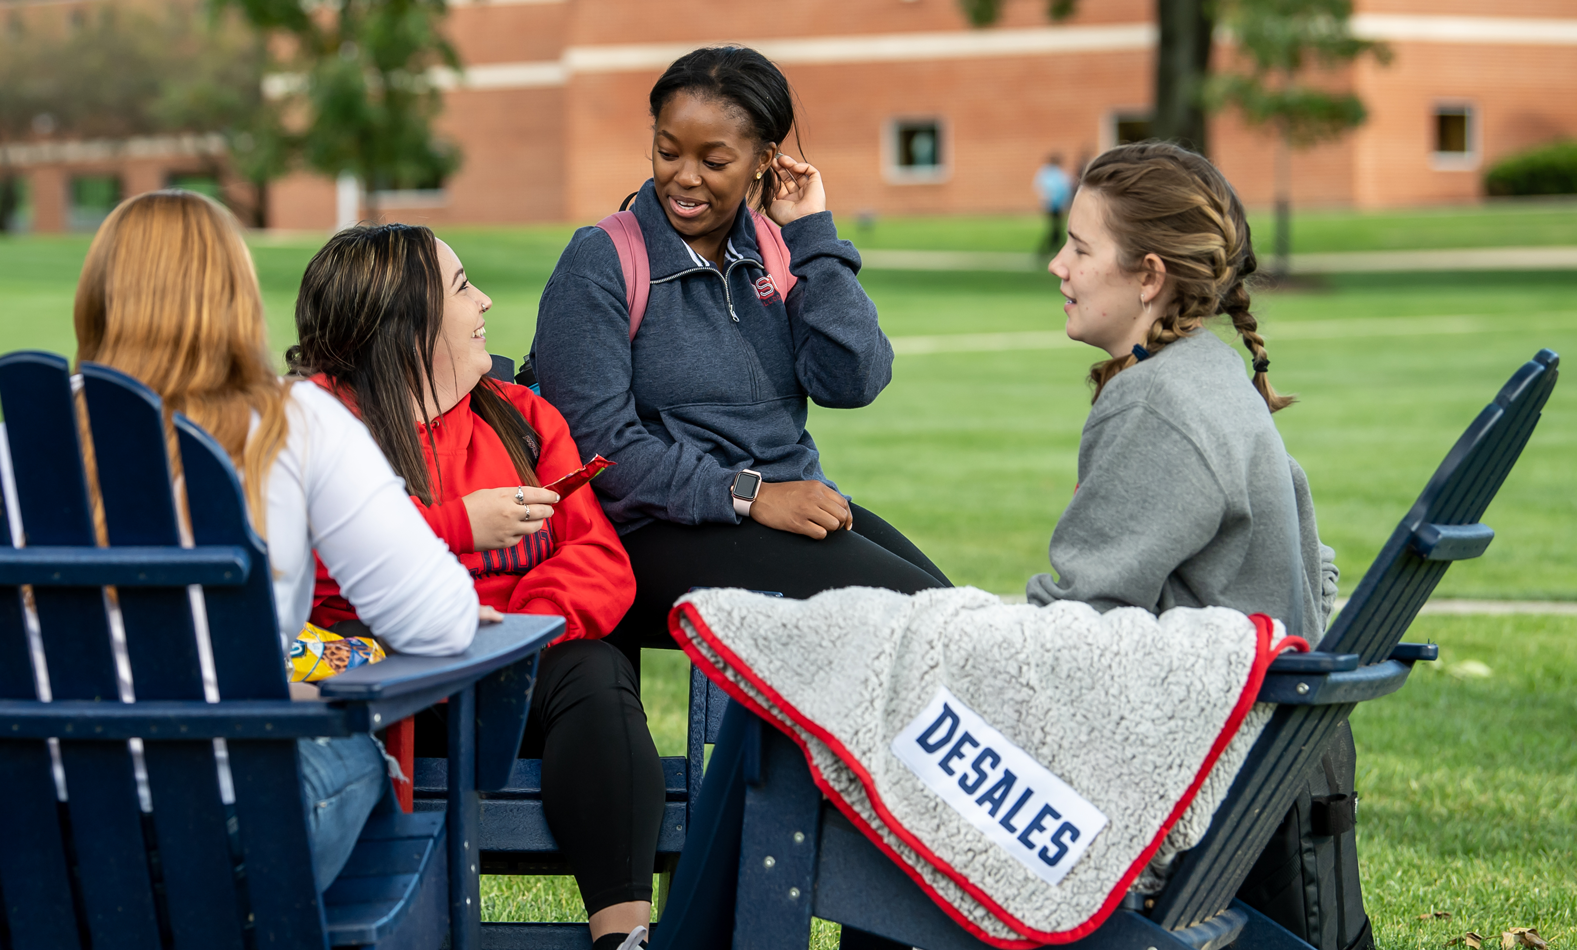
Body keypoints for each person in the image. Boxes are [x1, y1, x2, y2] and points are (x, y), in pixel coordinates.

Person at [71, 191, 482, 887]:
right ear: (238, 296)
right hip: (223, 820)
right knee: (362, 759)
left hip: (18, 822)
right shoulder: (298, 425)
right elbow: (442, 624)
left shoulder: (13, 441)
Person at [291, 225, 660, 950]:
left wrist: (510, 638)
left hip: (509, 684)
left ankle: (623, 937)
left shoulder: (521, 417)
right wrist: (452, 527)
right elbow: (310, 577)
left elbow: (598, 561)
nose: (485, 300)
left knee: (593, 670)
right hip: (377, 692)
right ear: (406, 322)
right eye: (462, 287)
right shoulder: (316, 425)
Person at [530, 46, 950, 671]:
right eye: (668, 151)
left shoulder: (780, 252)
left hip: (783, 511)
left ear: (763, 162)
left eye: (715, 160)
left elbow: (854, 378)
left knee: (953, 618)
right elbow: (599, 451)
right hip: (647, 534)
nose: (685, 177)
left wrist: (812, 236)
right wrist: (748, 494)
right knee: (922, 625)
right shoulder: (601, 260)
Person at [1026, 140, 1336, 643]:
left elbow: (1082, 624)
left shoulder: (1154, 405)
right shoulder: (1208, 369)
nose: (1057, 265)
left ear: (1149, 276)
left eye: (1081, 249)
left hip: (1214, 709)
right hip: (1253, 686)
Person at [1034, 153, 1074, 254]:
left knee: (1057, 229)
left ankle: (1055, 249)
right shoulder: (1052, 172)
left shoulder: (1052, 172)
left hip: (1056, 204)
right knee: (1055, 229)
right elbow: (1044, 187)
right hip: (1053, 204)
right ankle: (1044, 251)